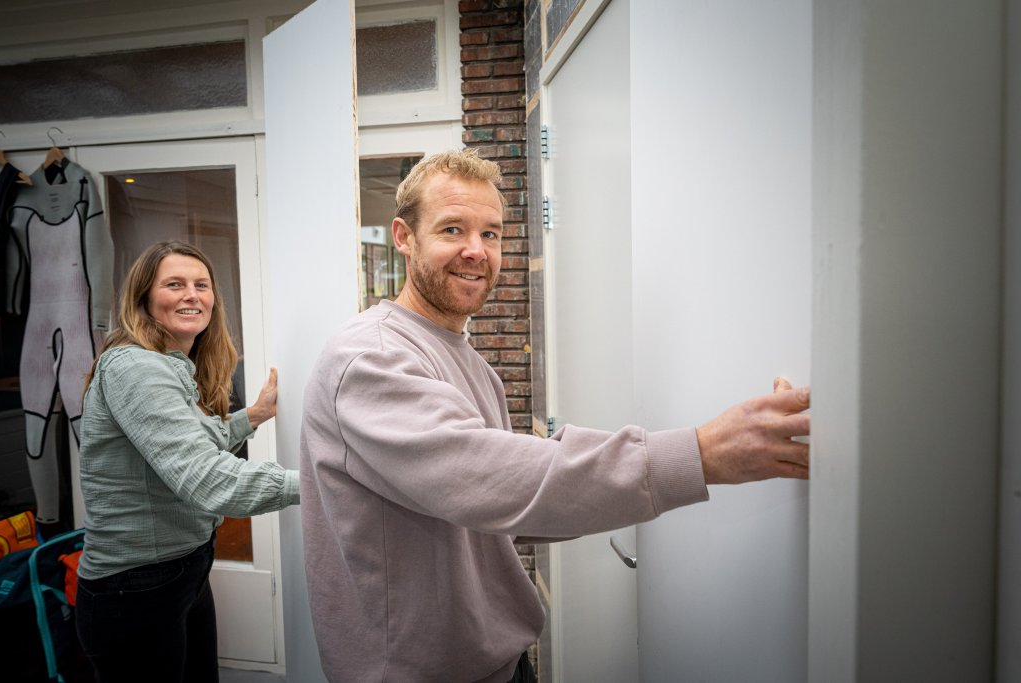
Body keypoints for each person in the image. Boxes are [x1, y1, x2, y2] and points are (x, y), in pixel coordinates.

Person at [300, 149, 810, 682]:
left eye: (491, 234)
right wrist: (700, 454)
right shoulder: (371, 359)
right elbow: (499, 482)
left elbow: (507, 495)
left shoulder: (463, 357)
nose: (476, 251)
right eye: (453, 229)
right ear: (404, 237)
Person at [74, 241, 299, 683]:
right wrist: (322, 483)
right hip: (135, 587)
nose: (191, 295)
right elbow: (207, 479)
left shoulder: (168, 363)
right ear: (144, 299)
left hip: (183, 570)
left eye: (201, 285)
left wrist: (252, 415)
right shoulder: (135, 368)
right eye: (174, 284)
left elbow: (188, 443)